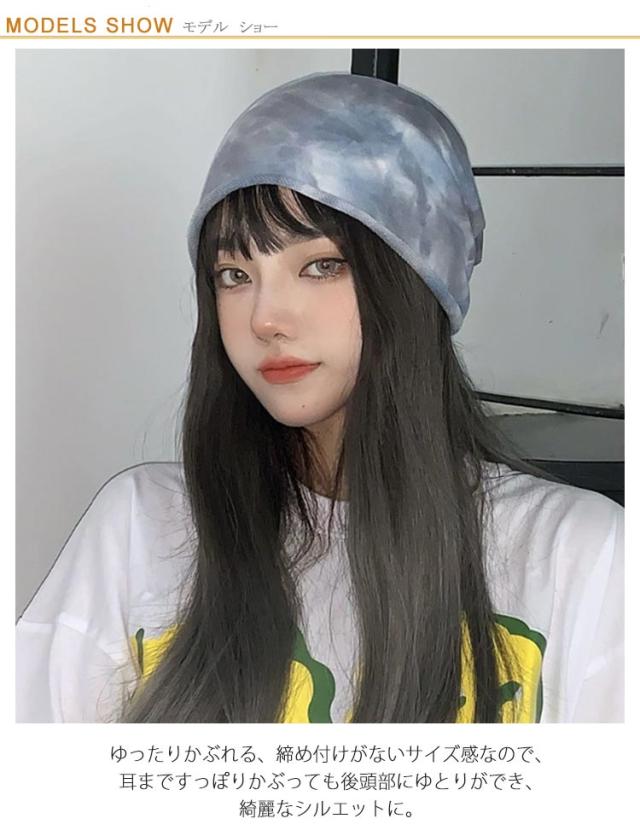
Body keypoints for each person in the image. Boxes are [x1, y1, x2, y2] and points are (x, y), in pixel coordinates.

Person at [16, 71, 624, 723]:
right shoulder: (140, 527)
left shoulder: (580, 558)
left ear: (419, 282)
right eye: (233, 274)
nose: (264, 318)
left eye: (321, 266)